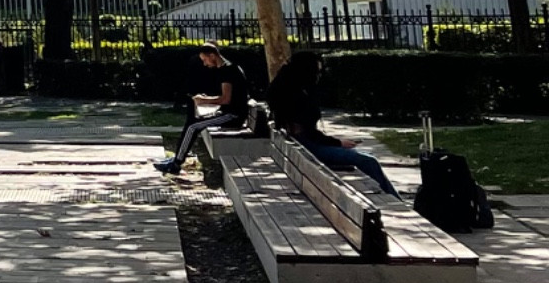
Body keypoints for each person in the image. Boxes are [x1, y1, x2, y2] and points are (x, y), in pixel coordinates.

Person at [267, 50, 395, 192]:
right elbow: (310, 134)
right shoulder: (298, 97)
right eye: (317, 72)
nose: (319, 76)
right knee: (369, 161)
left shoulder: (290, 89)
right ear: (307, 71)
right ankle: (398, 204)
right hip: (310, 148)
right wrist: (338, 143)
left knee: (368, 157)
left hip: (304, 145)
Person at [155, 45, 255, 175]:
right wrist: (206, 98)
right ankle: (176, 158)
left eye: (205, 59)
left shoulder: (228, 71)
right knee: (191, 121)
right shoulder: (226, 68)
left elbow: (225, 99)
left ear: (212, 56)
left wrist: (204, 100)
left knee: (193, 127)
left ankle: (176, 164)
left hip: (233, 116)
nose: (204, 63)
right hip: (227, 112)